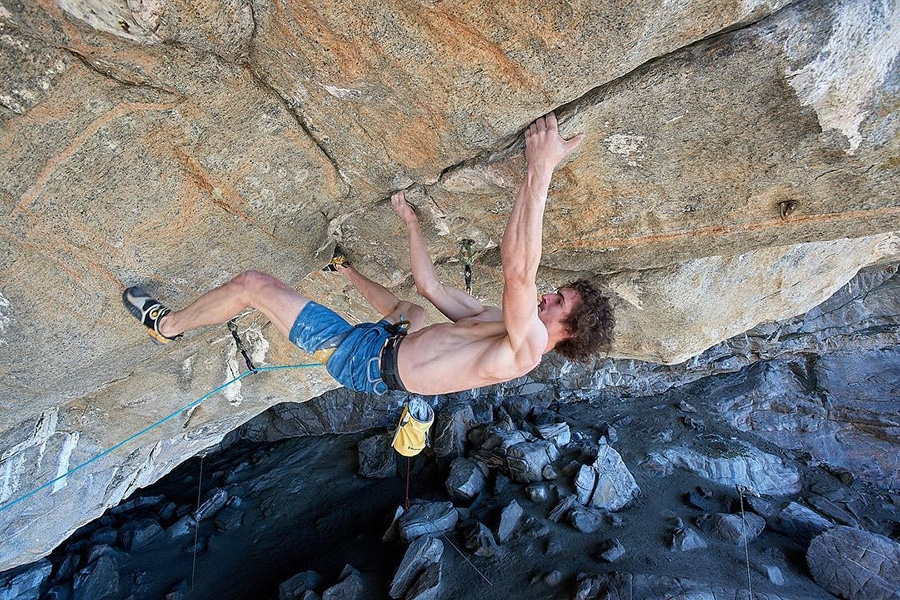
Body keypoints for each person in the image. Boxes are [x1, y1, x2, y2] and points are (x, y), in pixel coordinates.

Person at [124, 113, 614, 395]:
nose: (548, 296)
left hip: (361, 361)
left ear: (568, 330)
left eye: (559, 302)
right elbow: (432, 287)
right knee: (415, 308)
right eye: (556, 292)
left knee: (255, 284)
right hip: (386, 345)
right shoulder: (499, 322)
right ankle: (347, 272)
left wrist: (541, 170)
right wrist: (411, 224)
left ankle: (164, 326)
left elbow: (518, 271)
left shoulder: (525, 349)